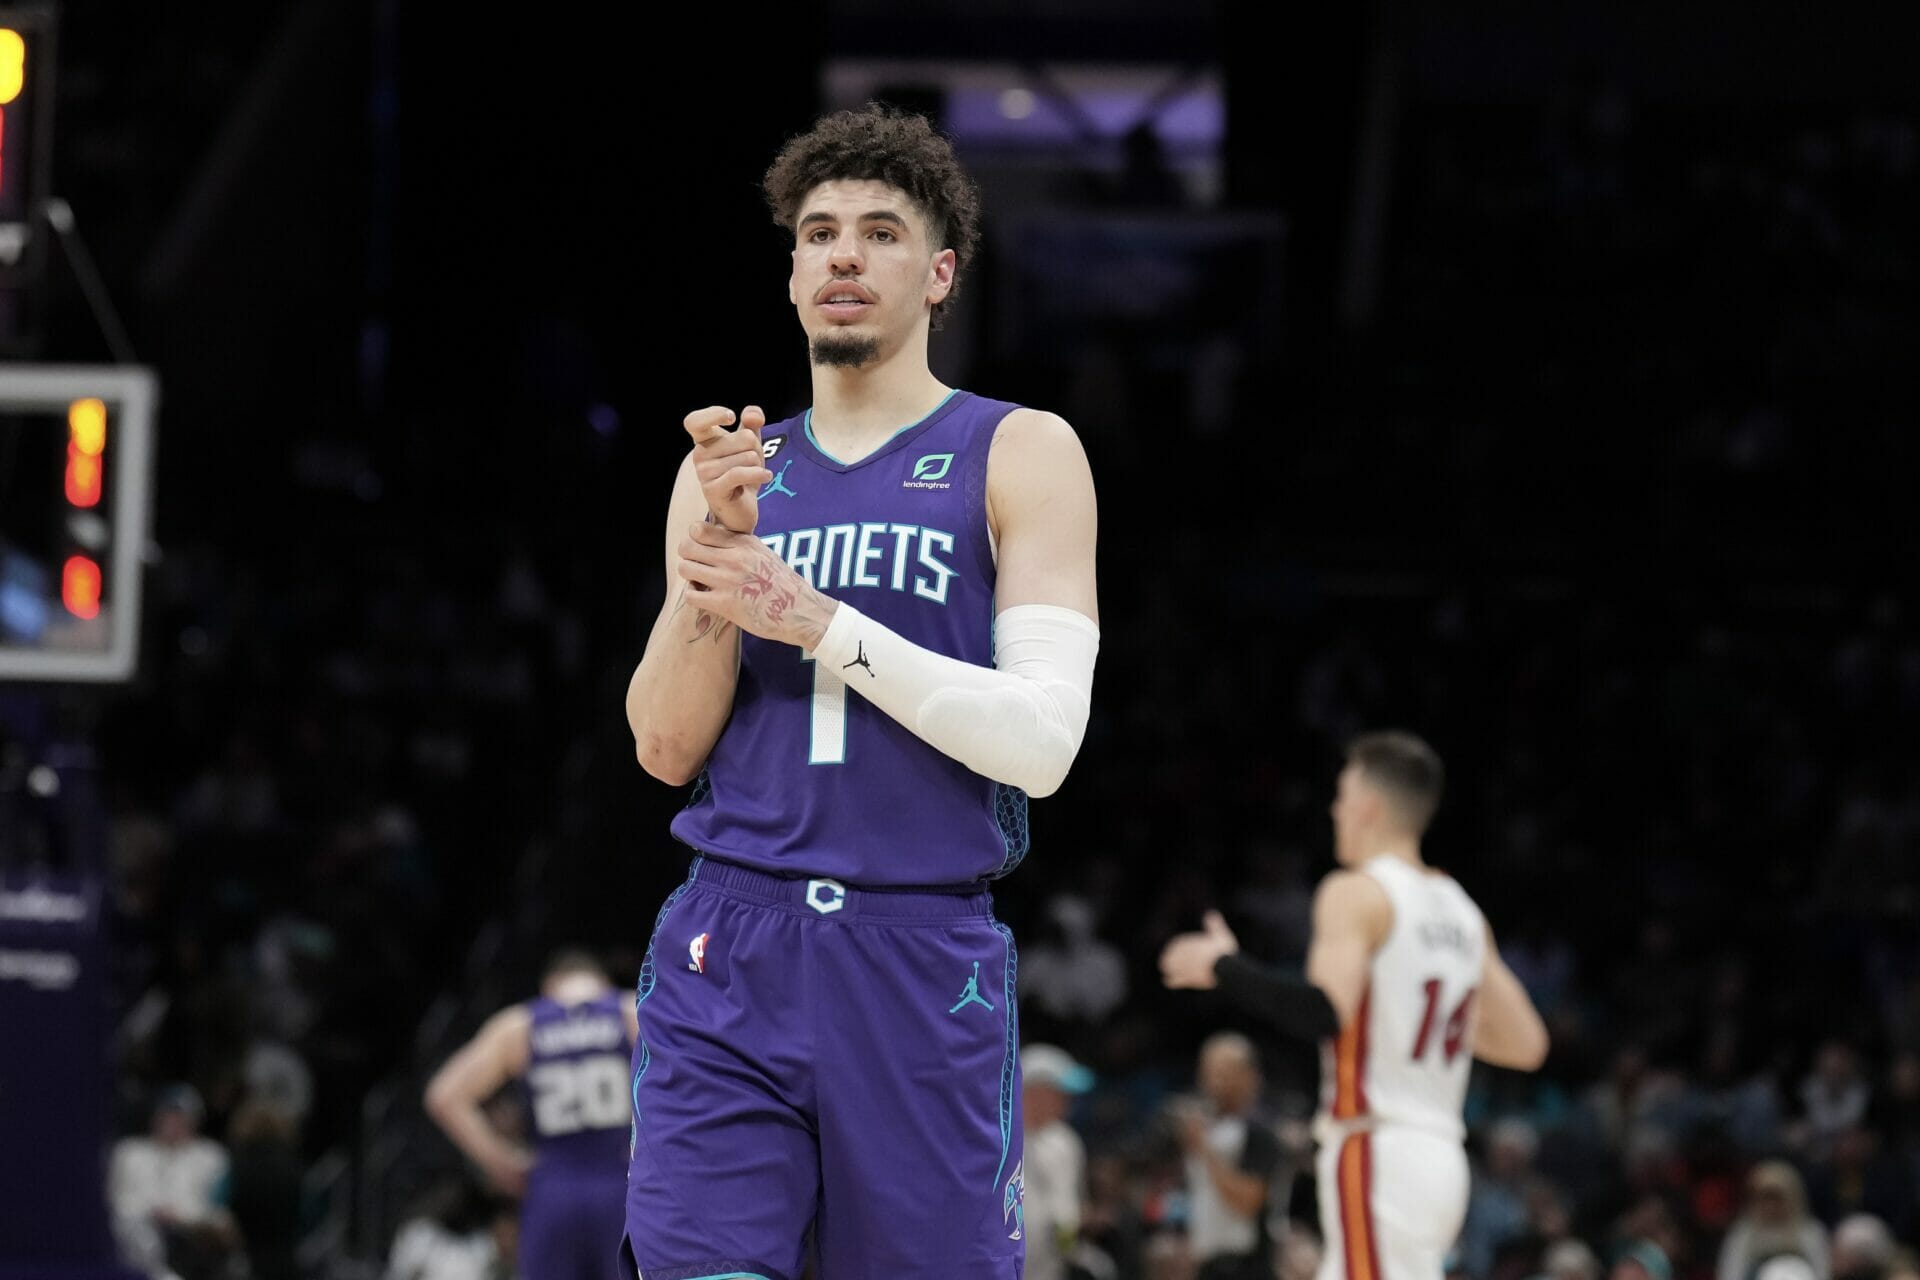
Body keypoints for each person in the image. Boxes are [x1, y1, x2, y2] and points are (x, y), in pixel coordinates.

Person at [619, 100, 1101, 1279]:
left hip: (917, 950)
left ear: (938, 273)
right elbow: (664, 745)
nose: (844, 254)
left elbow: (1040, 744)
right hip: (729, 940)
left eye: (881, 233)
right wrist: (710, 583)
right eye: (820, 232)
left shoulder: (1022, 449)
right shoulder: (729, 471)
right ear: (791, 274)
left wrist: (817, 620)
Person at [1159, 729, 1551, 1280]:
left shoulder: (1356, 892)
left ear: (1367, 805)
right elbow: (1527, 1044)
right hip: (1442, 1157)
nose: (1334, 809)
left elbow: (1322, 1012)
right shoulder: (1462, 910)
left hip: (1378, 1149)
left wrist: (1223, 966)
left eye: (1341, 796)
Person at [423, 948, 637, 1280]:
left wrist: (501, 1163)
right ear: (604, 984)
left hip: (552, 1187)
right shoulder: (632, 1011)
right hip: (621, 1186)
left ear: (548, 988)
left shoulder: (520, 1025)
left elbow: (444, 1097)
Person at [1167, 1032, 1287, 1280]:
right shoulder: (1201, 1127)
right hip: (1206, 1264)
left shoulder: (1261, 1130)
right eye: (1208, 1069)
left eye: (1224, 1070)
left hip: (1247, 1266)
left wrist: (1206, 1152)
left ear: (1249, 1076)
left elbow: (1248, 1202)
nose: (1213, 1079)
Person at [1023, 1043, 1096, 1280]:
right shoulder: (997, 1140)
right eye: (1059, 1092)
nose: (1068, 1101)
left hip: (1053, 1268)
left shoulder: (1066, 1142)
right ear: (1033, 1092)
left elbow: (1074, 1203)